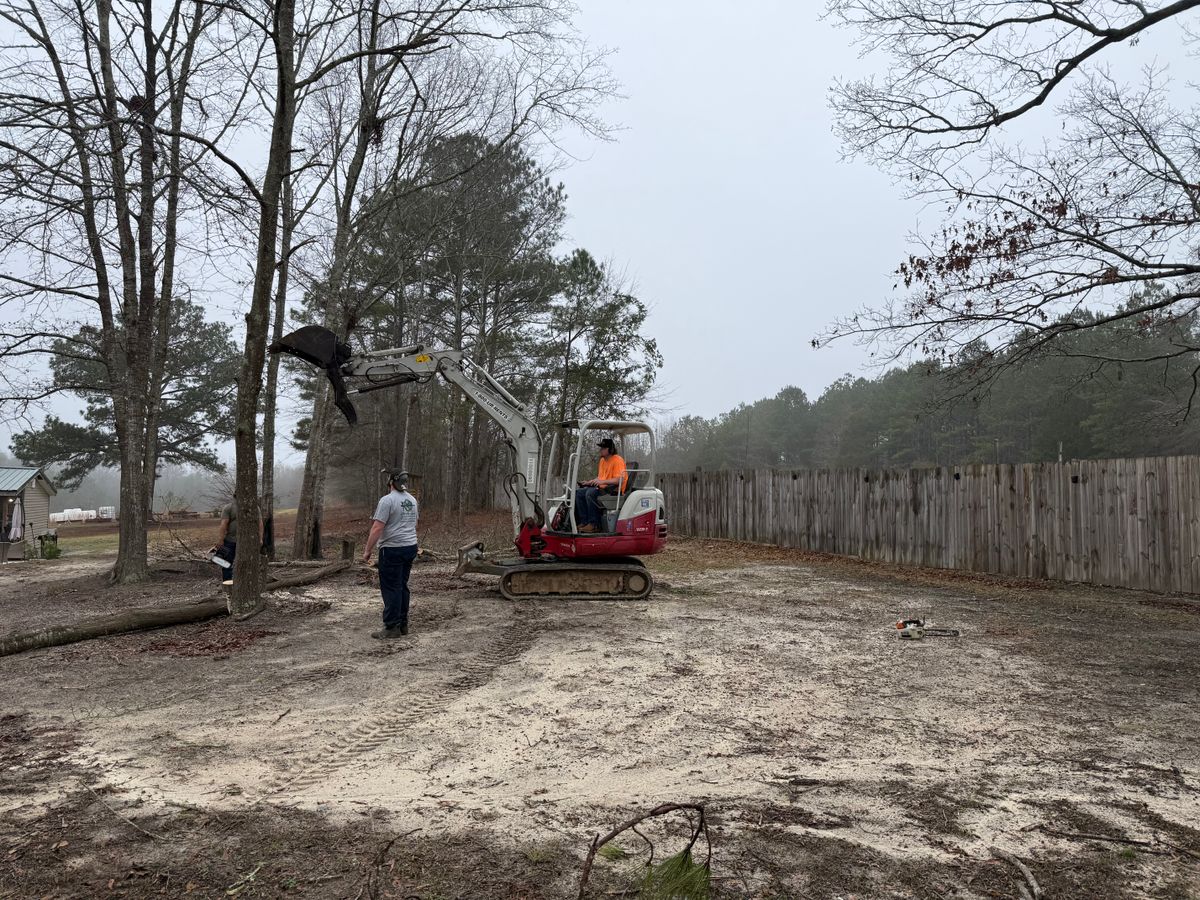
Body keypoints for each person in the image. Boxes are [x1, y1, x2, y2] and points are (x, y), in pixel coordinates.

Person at [362, 470, 420, 638]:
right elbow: (414, 524)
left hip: (392, 549)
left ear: (390, 482)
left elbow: (377, 527)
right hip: (410, 546)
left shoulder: (387, 500)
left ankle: (391, 627)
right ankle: (403, 624)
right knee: (402, 585)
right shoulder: (412, 500)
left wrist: (367, 550)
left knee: (391, 587)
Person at [574, 437, 627, 534]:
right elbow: (600, 477)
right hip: (604, 488)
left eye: (603, 448)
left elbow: (619, 479)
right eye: (601, 448)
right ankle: (584, 522)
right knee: (579, 493)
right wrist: (589, 482)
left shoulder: (617, 460)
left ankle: (594, 525)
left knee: (590, 493)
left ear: (610, 449)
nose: (600, 450)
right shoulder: (602, 461)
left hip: (613, 490)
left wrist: (602, 482)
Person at [210, 499, 238, 582]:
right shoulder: (229, 507)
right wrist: (221, 540)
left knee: (245, 564)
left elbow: (259, 524)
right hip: (230, 541)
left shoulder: (253, 507)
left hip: (246, 542)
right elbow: (224, 524)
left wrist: (260, 539)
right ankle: (227, 584)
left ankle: (244, 585)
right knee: (226, 564)